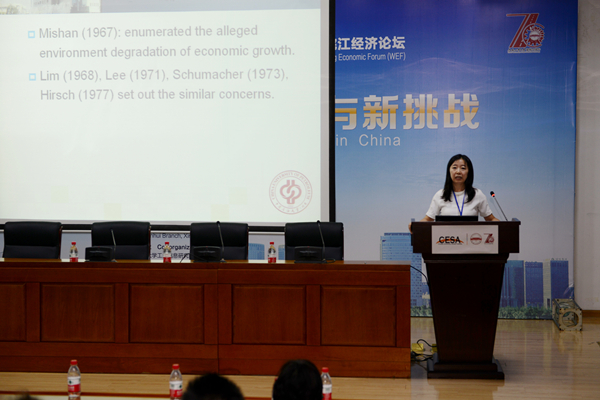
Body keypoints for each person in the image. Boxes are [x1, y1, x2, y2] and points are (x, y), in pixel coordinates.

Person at [409, 154, 499, 232]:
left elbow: (491, 219)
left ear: (469, 172)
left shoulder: (477, 194)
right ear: (449, 171)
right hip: (446, 241)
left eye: (463, 168)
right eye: (454, 167)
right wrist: (415, 225)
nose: (458, 171)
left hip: (470, 241)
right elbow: (428, 219)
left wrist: (504, 226)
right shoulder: (440, 195)